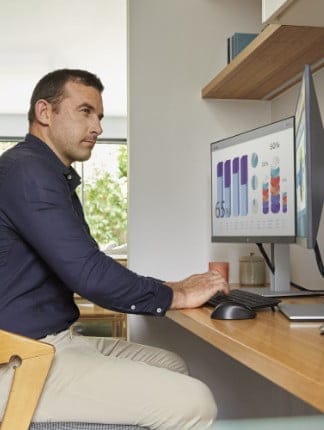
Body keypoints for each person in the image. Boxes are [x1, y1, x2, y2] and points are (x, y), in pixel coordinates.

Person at [0, 69, 228, 429]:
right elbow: (88, 273)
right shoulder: (26, 172)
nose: (98, 127)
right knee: (196, 401)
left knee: (172, 365)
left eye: (100, 116)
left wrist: (172, 288)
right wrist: (176, 294)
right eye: (85, 111)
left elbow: (82, 265)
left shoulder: (44, 174)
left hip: (53, 341)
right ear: (45, 113)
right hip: (20, 358)